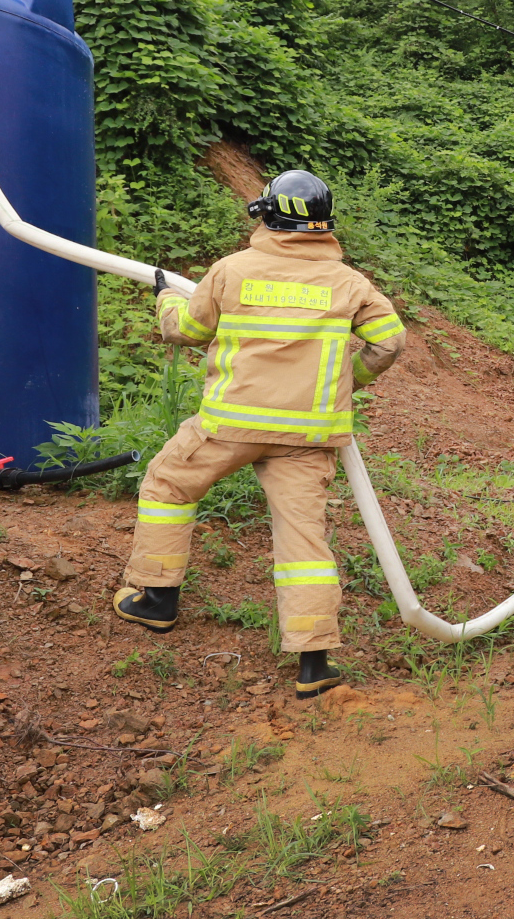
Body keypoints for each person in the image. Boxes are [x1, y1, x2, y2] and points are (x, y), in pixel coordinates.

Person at [112, 170, 408, 699]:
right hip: (307, 436)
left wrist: (165, 300)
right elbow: (389, 342)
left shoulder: (233, 270)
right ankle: (314, 663)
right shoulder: (349, 283)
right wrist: (350, 380)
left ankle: (156, 600)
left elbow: (187, 331)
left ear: (267, 215)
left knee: (168, 484)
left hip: (231, 425)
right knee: (303, 538)